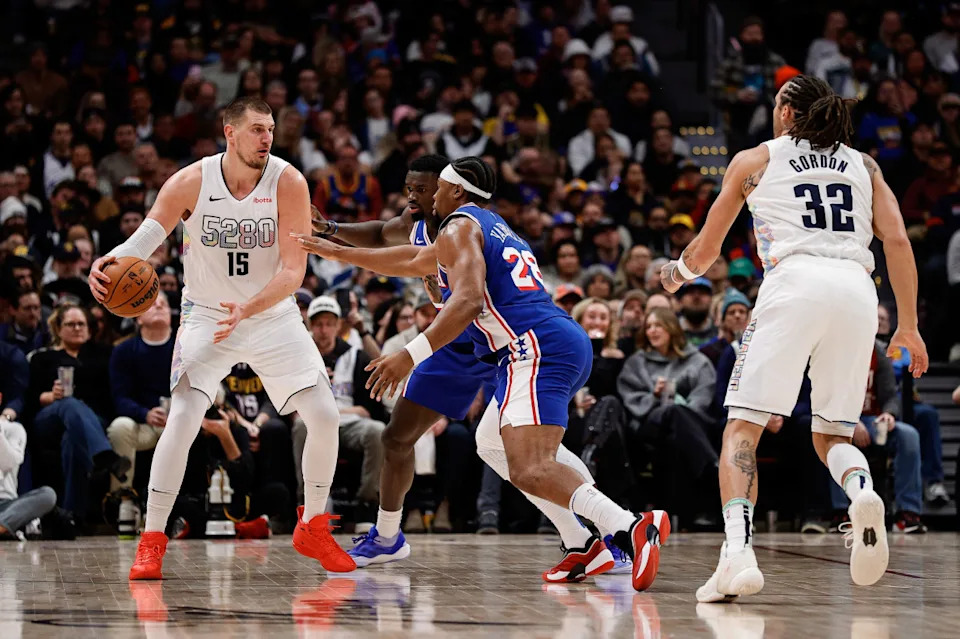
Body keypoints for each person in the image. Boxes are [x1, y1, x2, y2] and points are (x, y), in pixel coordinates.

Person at [298, 156, 670, 592]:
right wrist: (335, 248)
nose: (426, 197)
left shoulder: (458, 225)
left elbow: (469, 300)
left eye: (436, 188)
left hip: (531, 345)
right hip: (540, 342)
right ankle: (582, 541)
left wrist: (409, 355)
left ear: (455, 191)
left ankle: (629, 527)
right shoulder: (486, 226)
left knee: (530, 466)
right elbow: (410, 259)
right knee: (491, 442)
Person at [659, 74, 928, 601]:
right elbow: (897, 240)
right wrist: (909, 325)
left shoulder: (756, 159)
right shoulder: (864, 165)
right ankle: (861, 491)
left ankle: (738, 554)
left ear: (785, 111)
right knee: (832, 436)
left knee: (743, 428)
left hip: (794, 281)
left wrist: (676, 274)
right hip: (857, 290)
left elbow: (706, 251)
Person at [87, 96, 355, 580]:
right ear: (229, 133)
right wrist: (108, 261)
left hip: (271, 314)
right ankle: (152, 540)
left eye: (270, 129)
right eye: (256, 129)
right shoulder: (191, 180)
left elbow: (294, 271)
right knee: (183, 419)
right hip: (207, 315)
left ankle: (313, 525)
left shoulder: (289, 181)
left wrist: (249, 308)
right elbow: (146, 238)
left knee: (325, 415)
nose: (266, 138)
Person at [298, 295, 386, 532]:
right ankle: (307, 503)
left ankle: (366, 503)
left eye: (329, 323)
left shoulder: (354, 356)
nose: (323, 330)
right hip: (312, 421)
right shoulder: (301, 355)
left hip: (349, 422)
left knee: (377, 431)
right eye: (318, 324)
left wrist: (336, 412)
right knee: (298, 426)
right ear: (310, 325)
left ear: (338, 325)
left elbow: (368, 408)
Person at [106, 291, 175, 533]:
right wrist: (144, 413)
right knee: (119, 427)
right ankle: (122, 500)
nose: (160, 307)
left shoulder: (184, 346)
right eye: (152, 304)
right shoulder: (124, 351)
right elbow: (120, 398)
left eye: (164, 304)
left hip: (179, 422)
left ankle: (180, 505)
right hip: (144, 423)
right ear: (138, 317)